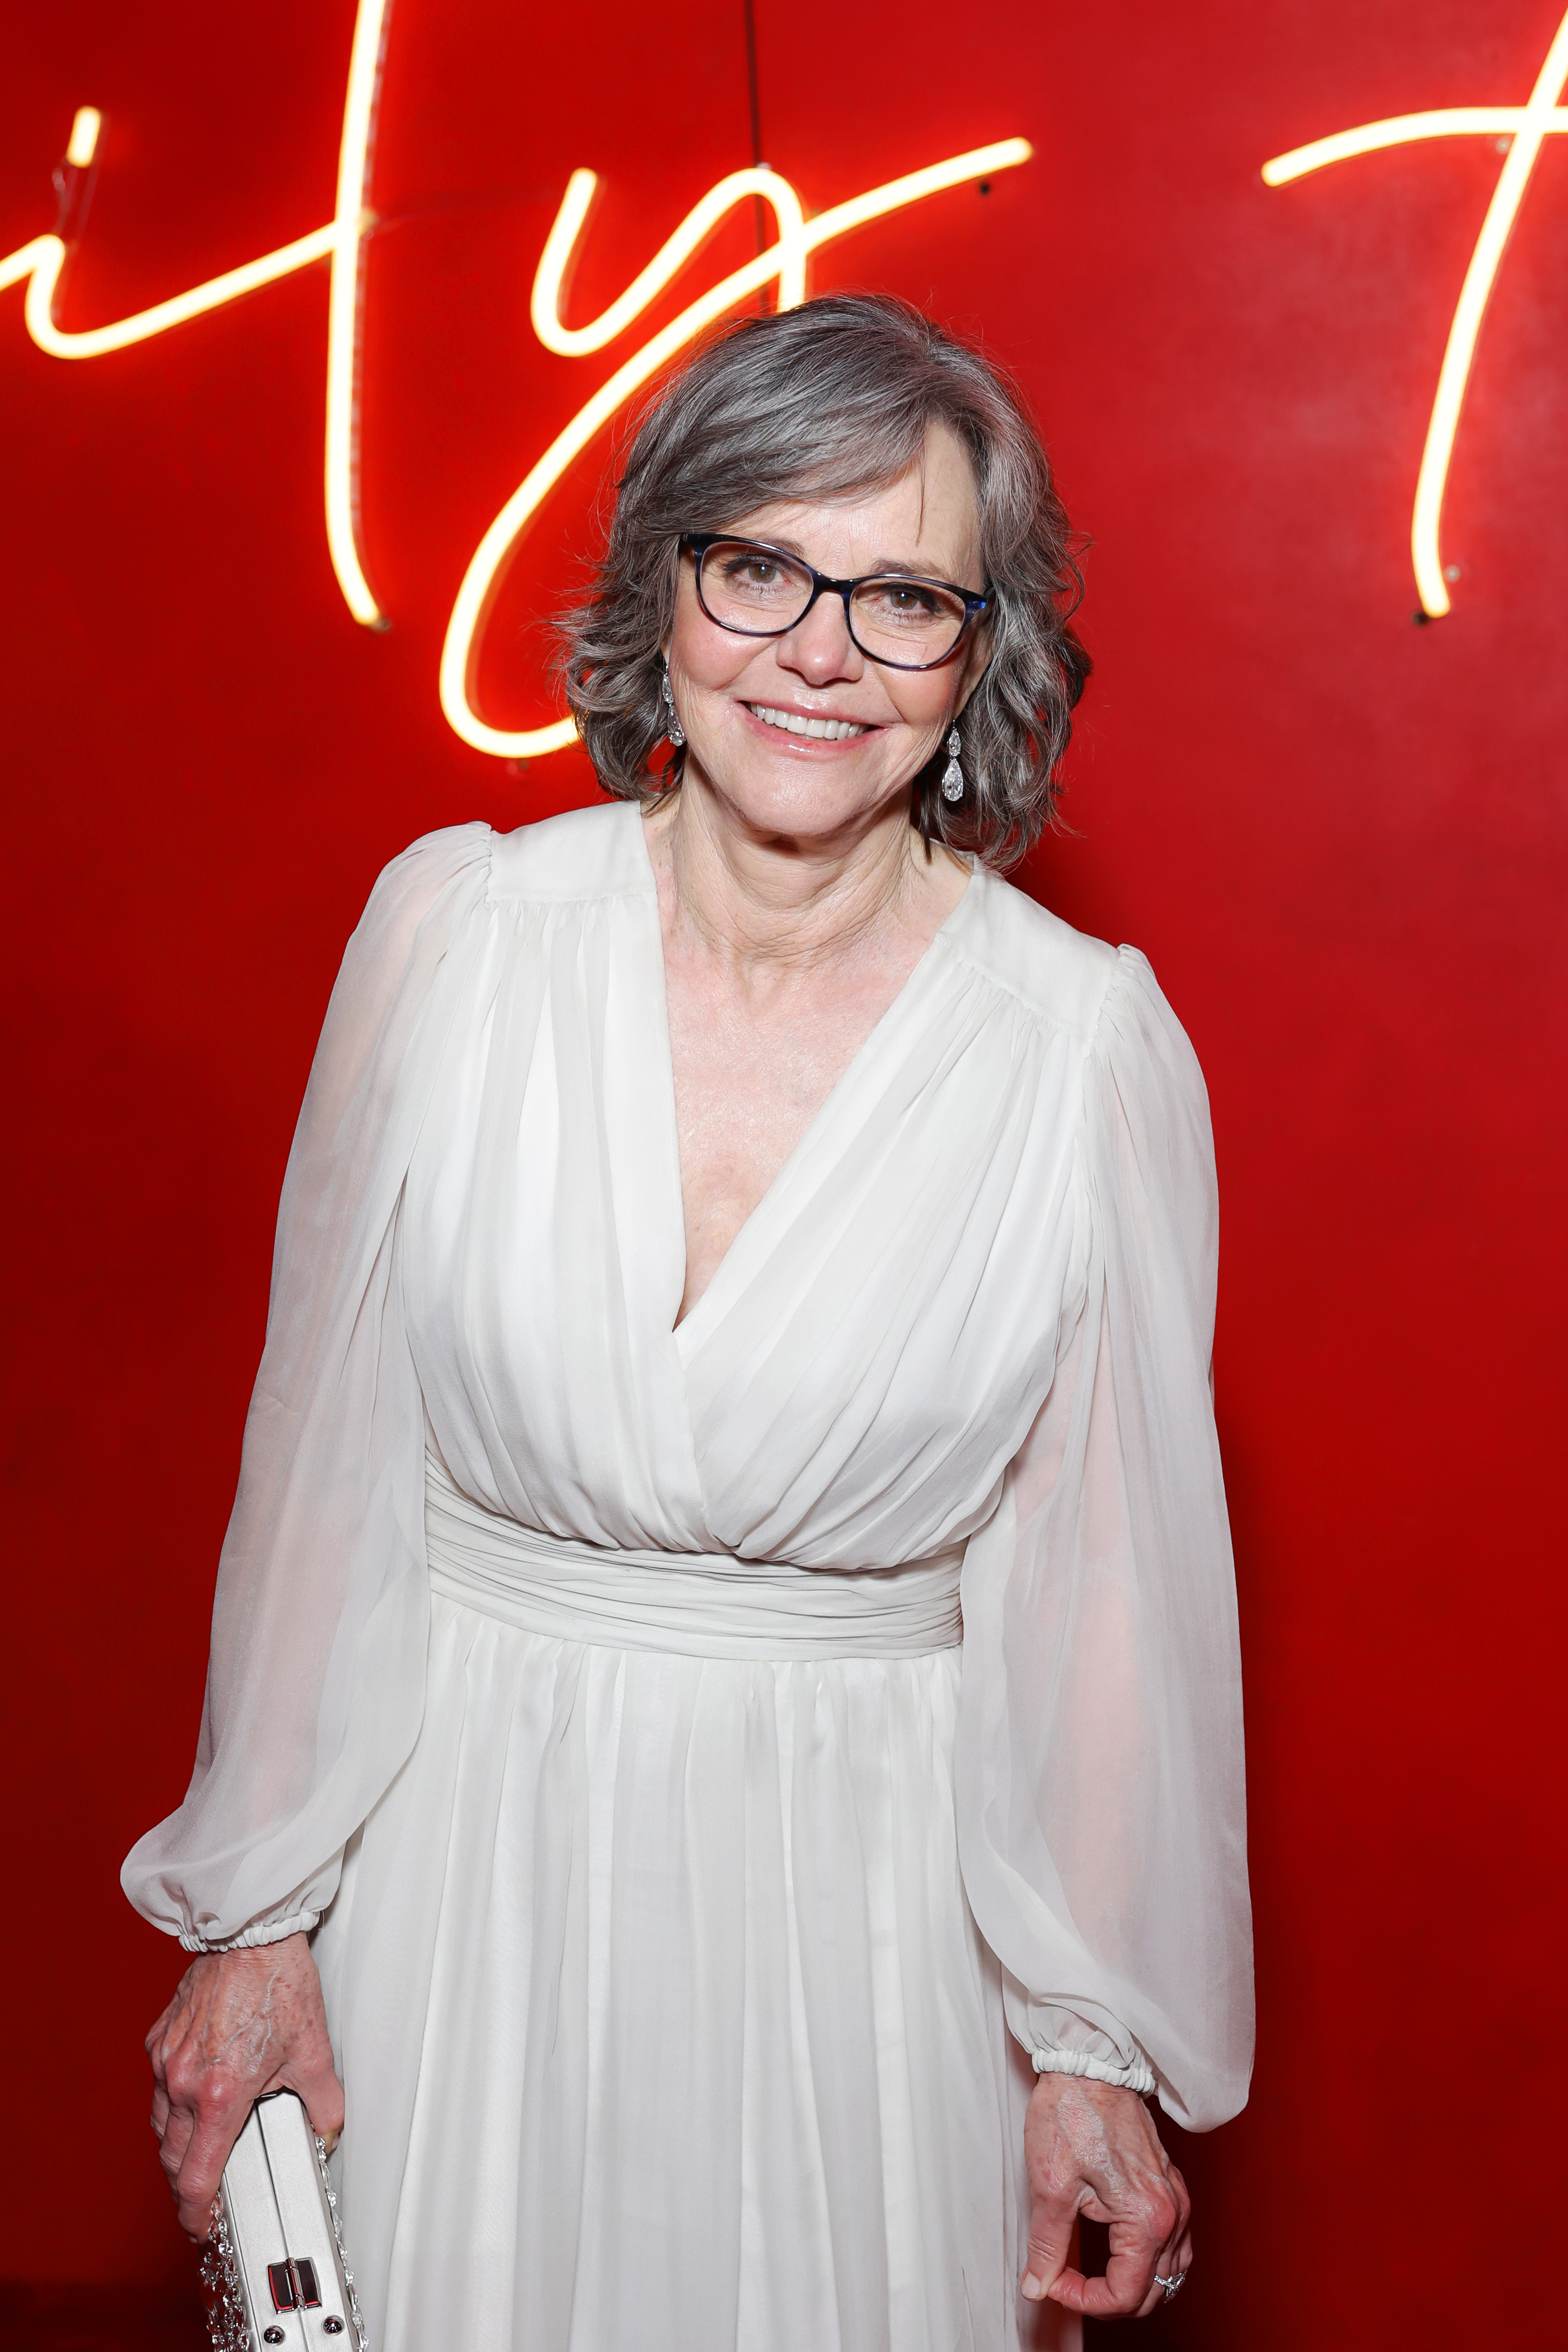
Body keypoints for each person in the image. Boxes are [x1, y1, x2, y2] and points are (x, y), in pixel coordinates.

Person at [127, 294, 1252, 2352]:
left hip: (866, 1932)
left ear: (981, 649)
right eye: (761, 566)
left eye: (903, 592)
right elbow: (322, 1470)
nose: (819, 652)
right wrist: (255, 1916)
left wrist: (1092, 2040)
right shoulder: (454, 935)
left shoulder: (1083, 1053)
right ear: (667, 577)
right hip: (458, 1875)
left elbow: (1101, 1596)